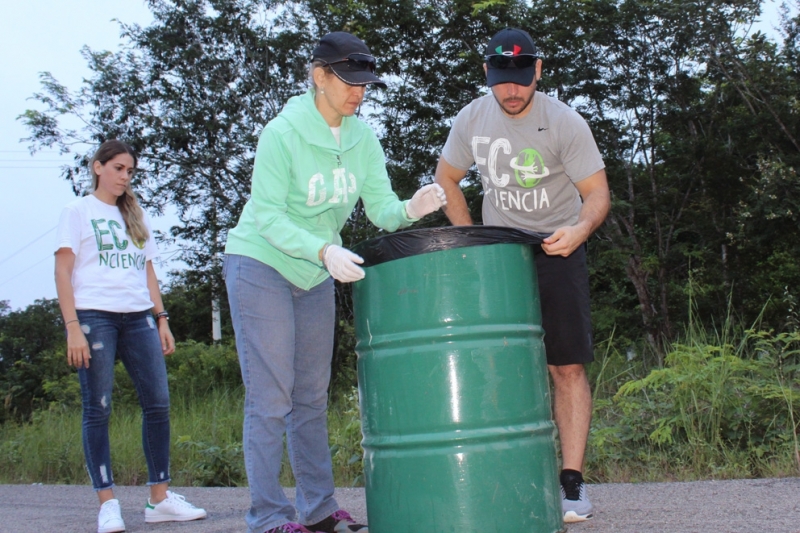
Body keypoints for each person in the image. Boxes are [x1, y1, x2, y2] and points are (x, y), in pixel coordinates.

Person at [224, 31, 446, 533]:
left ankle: (320, 511)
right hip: (261, 263)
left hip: (316, 271)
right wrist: (323, 248)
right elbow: (267, 218)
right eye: (349, 82)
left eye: (365, 84)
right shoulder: (282, 134)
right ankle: (267, 517)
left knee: (310, 396)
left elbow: (382, 209)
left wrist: (413, 206)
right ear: (319, 76)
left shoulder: (362, 137)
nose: (359, 93)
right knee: (271, 397)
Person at [434, 27, 610, 523]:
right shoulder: (472, 118)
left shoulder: (564, 122)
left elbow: (597, 193)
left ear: (537, 69)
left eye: (519, 78)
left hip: (558, 247)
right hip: (500, 255)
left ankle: (571, 486)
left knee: (567, 366)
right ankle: (506, 473)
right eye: (499, 79)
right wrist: (471, 241)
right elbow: (446, 178)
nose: (510, 90)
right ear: (487, 74)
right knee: (500, 365)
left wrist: (578, 230)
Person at [54, 140, 208, 533]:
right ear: (97, 167)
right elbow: (63, 271)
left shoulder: (135, 214)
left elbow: (148, 270)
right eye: (119, 168)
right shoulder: (78, 211)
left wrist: (162, 319)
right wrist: (73, 327)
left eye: (130, 171)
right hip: (94, 317)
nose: (125, 176)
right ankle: (107, 502)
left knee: (158, 403)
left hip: (138, 315)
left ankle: (159, 498)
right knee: (98, 408)